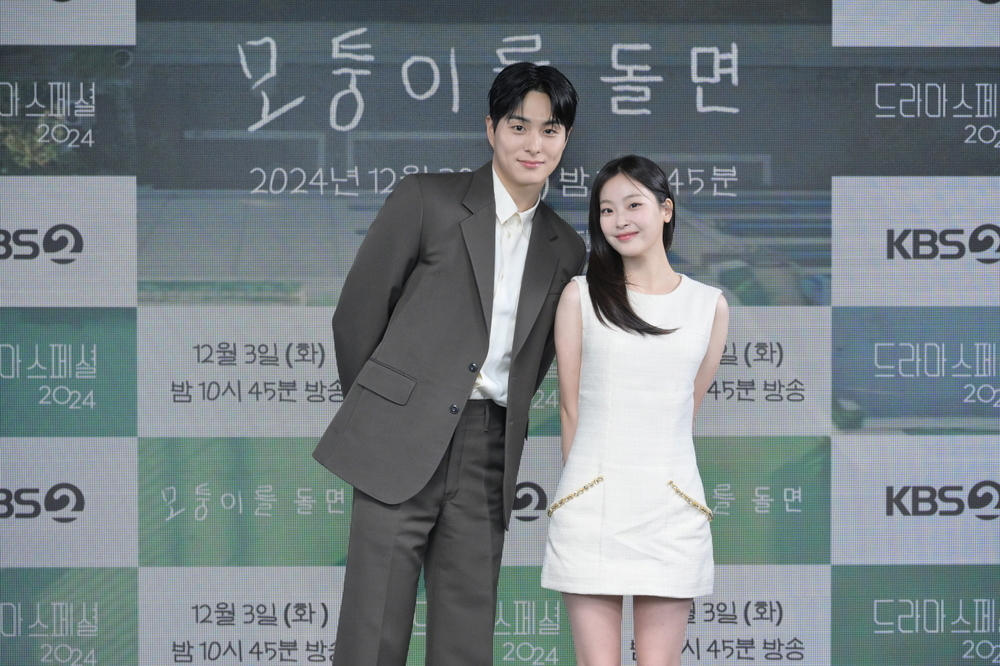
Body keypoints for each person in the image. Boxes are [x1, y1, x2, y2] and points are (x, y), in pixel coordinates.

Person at [312, 62, 586, 666]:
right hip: (399, 439)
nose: (533, 144)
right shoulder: (426, 199)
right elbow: (356, 316)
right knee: (371, 631)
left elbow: (535, 360)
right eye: (519, 126)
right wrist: (383, 418)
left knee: (466, 636)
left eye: (549, 130)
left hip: (489, 449)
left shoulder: (566, 248)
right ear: (491, 128)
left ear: (565, 140)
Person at [540, 155, 729, 666]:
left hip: (671, 506)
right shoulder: (581, 296)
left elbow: (687, 406)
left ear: (666, 210)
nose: (619, 220)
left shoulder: (708, 304)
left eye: (632, 205)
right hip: (593, 504)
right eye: (606, 210)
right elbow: (570, 408)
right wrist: (585, 491)